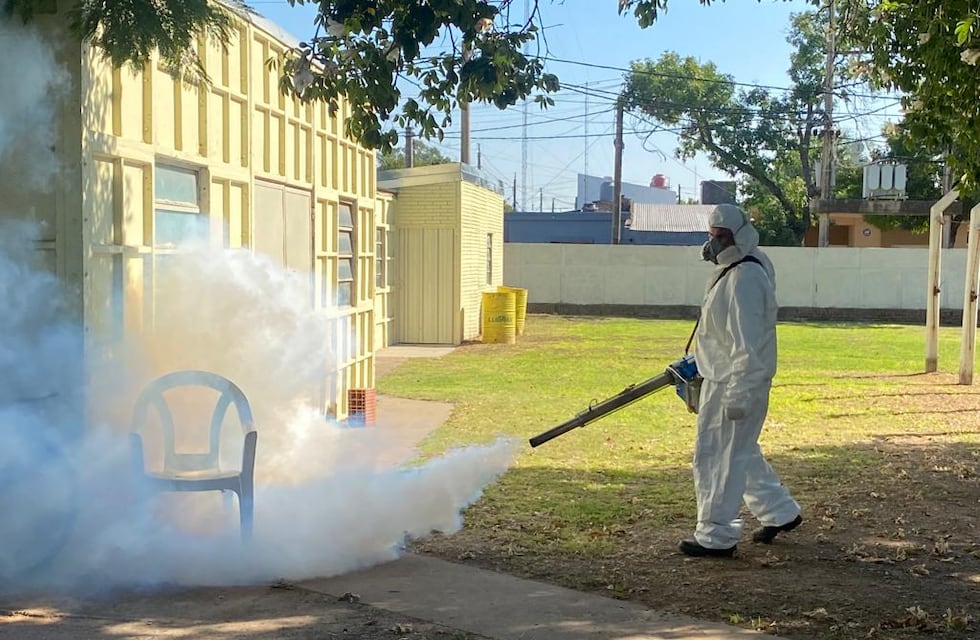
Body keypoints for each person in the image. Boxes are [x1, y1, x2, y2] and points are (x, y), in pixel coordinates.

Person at [679, 204, 802, 558]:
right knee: (740, 451)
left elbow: (750, 343)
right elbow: (725, 334)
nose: (713, 244)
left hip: (734, 383)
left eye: (722, 237)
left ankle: (716, 536)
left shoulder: (745, 278)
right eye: (711, 235)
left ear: (740, 236)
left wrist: (739, 394)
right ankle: (781, 512)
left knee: (718, 457)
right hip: (724, 377)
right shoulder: (739, 268)